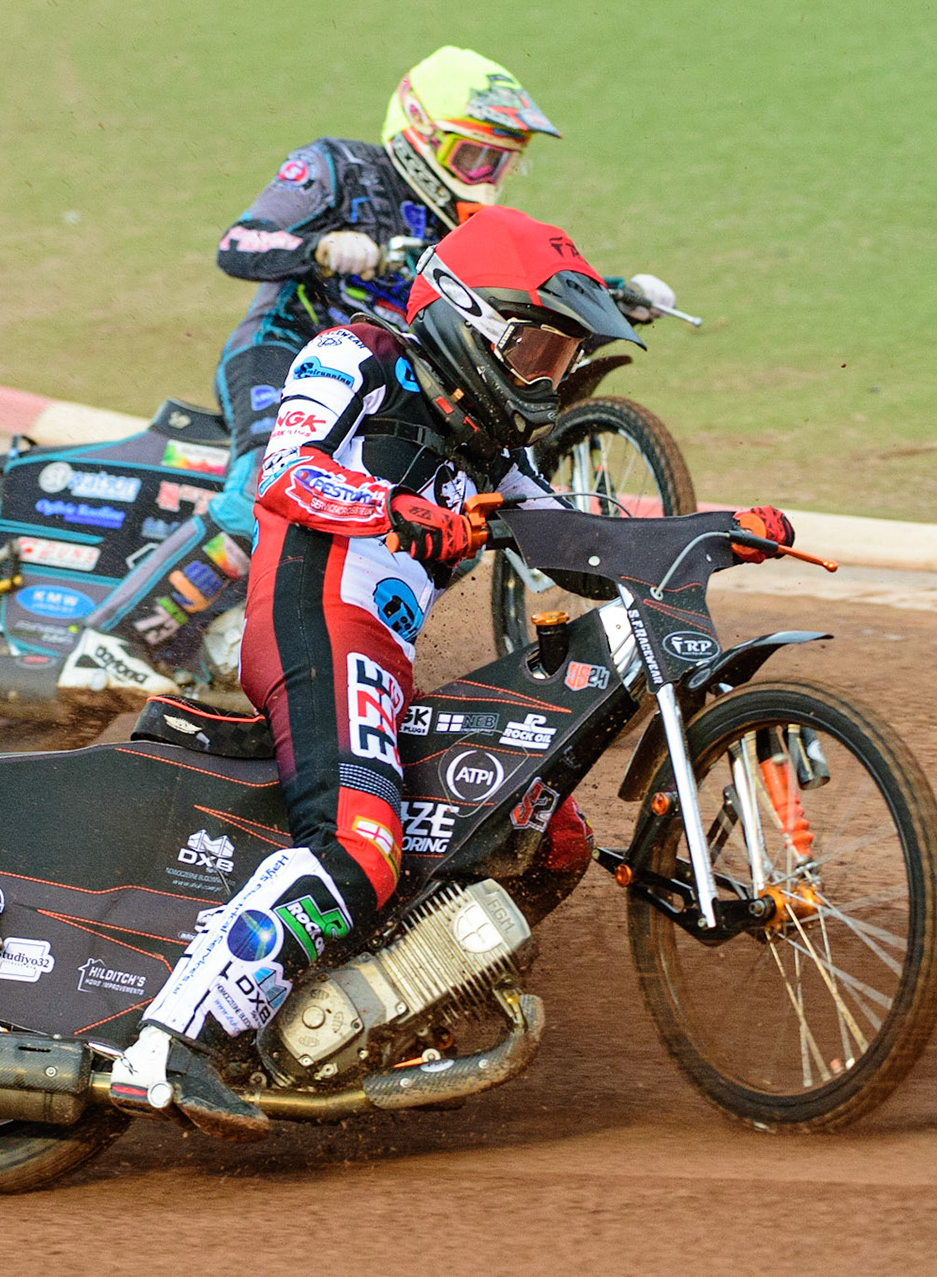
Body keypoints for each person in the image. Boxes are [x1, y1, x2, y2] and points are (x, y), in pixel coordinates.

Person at [111, 206, 790, 1140]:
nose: (548, 377)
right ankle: (171, 1040)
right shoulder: (354, 353)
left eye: (560, 358)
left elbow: (582, 544)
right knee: (358, 844)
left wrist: (716, 533)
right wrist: (392, 506)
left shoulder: (493, 448)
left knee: (540, 837)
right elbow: (282, 473)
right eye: (534, 350)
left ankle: (369, 1012)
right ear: (470, 319)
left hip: (381, 655)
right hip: (313, 624)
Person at [59, 47, 565, 697]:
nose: (487, 176)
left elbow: (517, 289)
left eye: (501, 161)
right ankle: (113, 638)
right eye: (475, 156)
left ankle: (264, 629)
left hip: (380, 386)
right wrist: (320, 249)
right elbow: (239, 244)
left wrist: (604, 293)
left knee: (443, 509)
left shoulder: (469, 229)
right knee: (264, 485)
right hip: (285, 346)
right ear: (421, 134)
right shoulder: (338, 167)